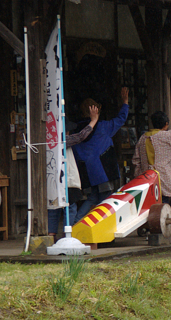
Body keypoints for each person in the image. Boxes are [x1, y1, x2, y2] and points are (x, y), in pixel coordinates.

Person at [72, 87, 130, 223]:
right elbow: (121, 119)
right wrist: (125, 102)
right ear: (96, 110)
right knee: (106, 198)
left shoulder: (76, 130)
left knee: (92, 197)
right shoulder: (103, 127)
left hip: (86, 171)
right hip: (103, 170)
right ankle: (103, 225)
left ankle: (76, 222)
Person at [47, 103, 99, 237]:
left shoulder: (47, 141)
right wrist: (93, 121)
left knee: (53, 209)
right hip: (66, 179)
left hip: (51, 179)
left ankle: (51, 237)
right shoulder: (62, 140)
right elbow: (81, 136)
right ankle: (67, 235)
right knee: (70, 208)